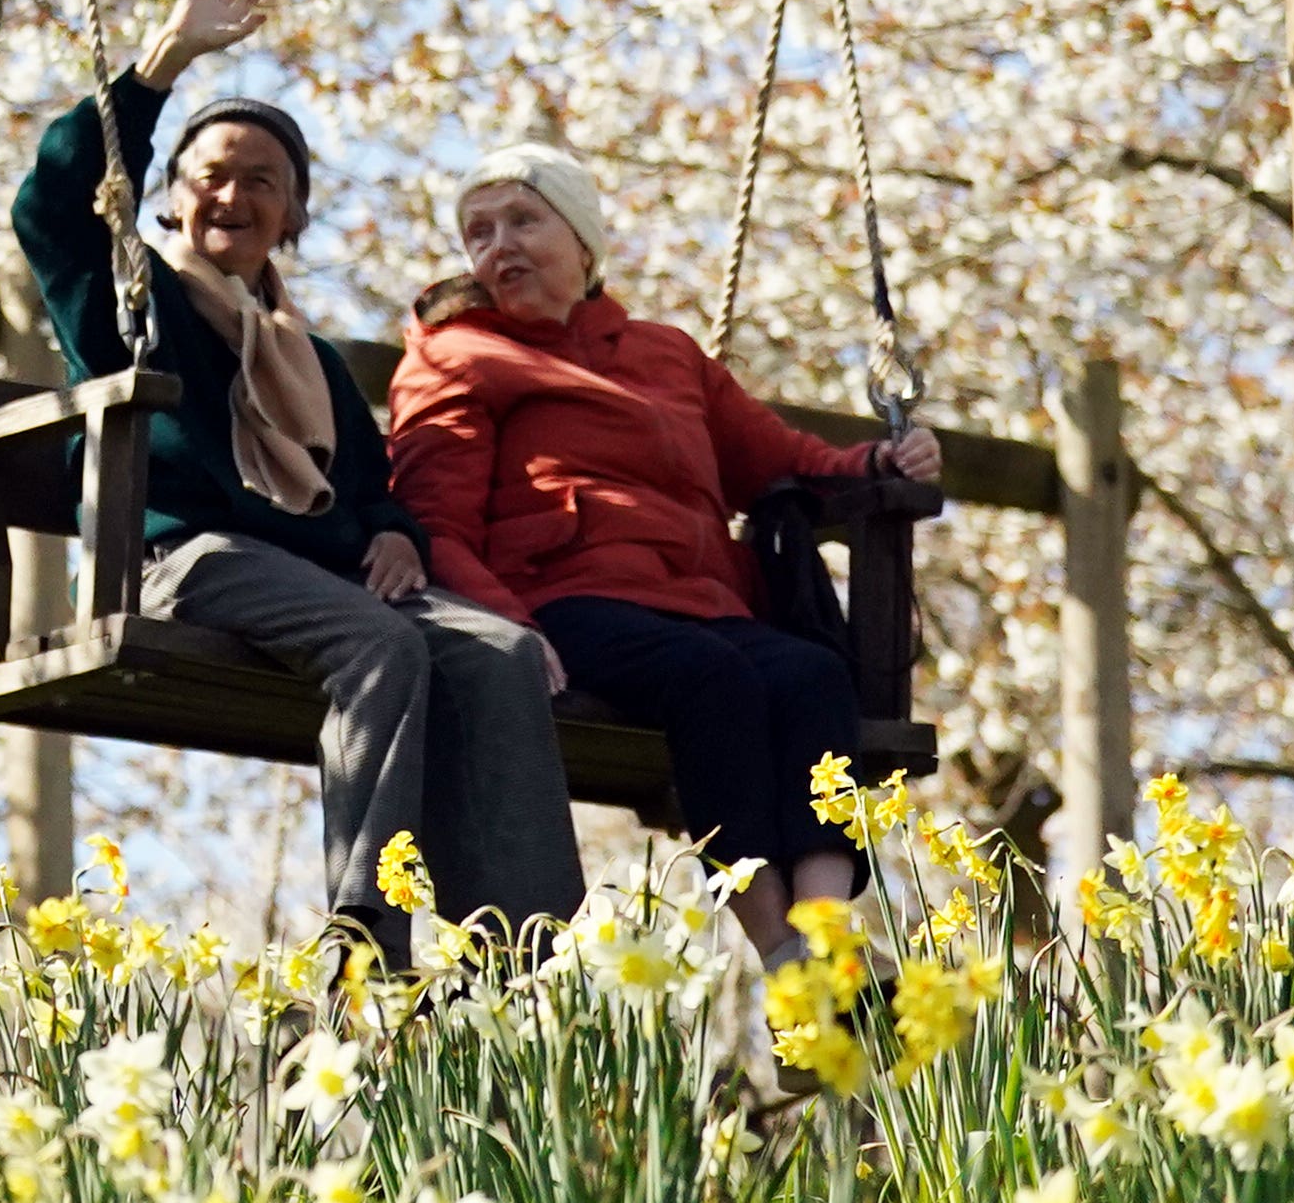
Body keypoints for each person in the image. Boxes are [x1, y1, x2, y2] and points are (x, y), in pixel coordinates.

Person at [10, 0, 584, 946]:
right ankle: (367, 929)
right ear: (171, 196)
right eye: (213, 175)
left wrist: (398, 532)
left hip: (318, 580)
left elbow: (369, 487)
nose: (233, 195)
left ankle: (514, 943)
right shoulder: (132, 301)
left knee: (503, 650)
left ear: (293, 215)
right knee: (383, 644)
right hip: (185, 559)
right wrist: (161, 65)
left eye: (262, 182)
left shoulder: (306, 357)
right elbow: (52, 209)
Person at [383, 143, 946, 960]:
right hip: (568, 601)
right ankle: (780, 954)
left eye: (522, 221)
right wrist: (507, 629)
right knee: (709, 682)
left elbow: (777, 458)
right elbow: (436, 522)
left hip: (699, 599)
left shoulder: (665, 354)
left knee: (813, 675)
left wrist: (877, 462)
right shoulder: (456, 355)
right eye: (478, 232)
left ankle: (826, 937)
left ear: (583, 241)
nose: (497, 246)